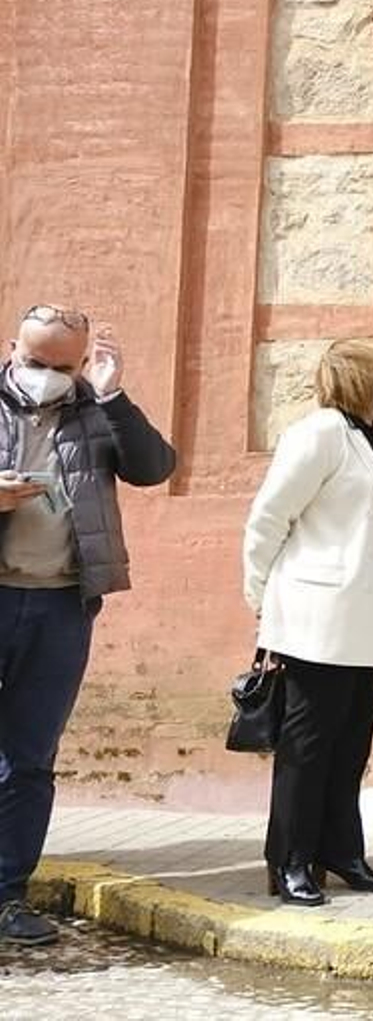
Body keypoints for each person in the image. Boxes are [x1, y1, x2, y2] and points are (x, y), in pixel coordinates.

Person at [0, 304, 176, 947]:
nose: (45, 375)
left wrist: (115, 396)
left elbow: (155, 467)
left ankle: (7, 895)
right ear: (12, 348)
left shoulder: (96, 410)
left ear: (81, 364)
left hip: (60, 604)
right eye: (33, 361)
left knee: (28, 757)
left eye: (61, 366)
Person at [243, 339, 373, 908]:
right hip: (316, 618)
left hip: (363, 622)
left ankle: (341, 852)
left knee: (350, 743)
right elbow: (268, 518)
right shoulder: (320, 433)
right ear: (363, 380)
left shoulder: (369, 440)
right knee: (308, 745)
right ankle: (290, 860)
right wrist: (263, 602)